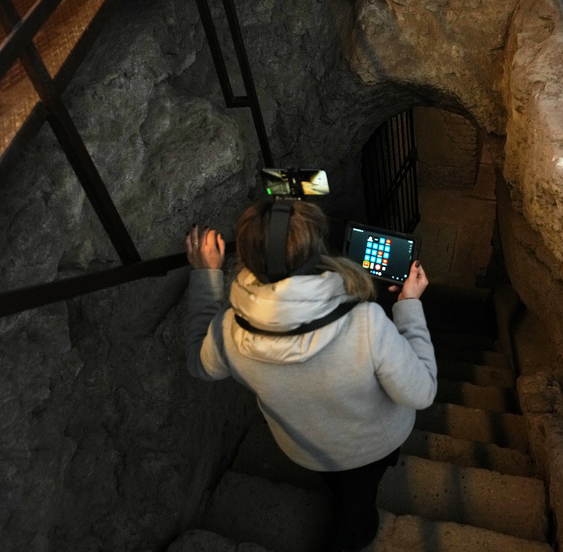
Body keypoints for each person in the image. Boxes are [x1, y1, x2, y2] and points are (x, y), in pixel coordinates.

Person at [184, 199, 437, 551]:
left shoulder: (229, 332)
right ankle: (355, 534)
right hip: (370, 445)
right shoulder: (365, 322)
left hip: (305, 447)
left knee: (336, 482)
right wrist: (409, 306)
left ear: (245, 258)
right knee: (356, 502)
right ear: (316, 251)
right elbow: (421, 392)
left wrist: (206, 276)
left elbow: (200, 365)